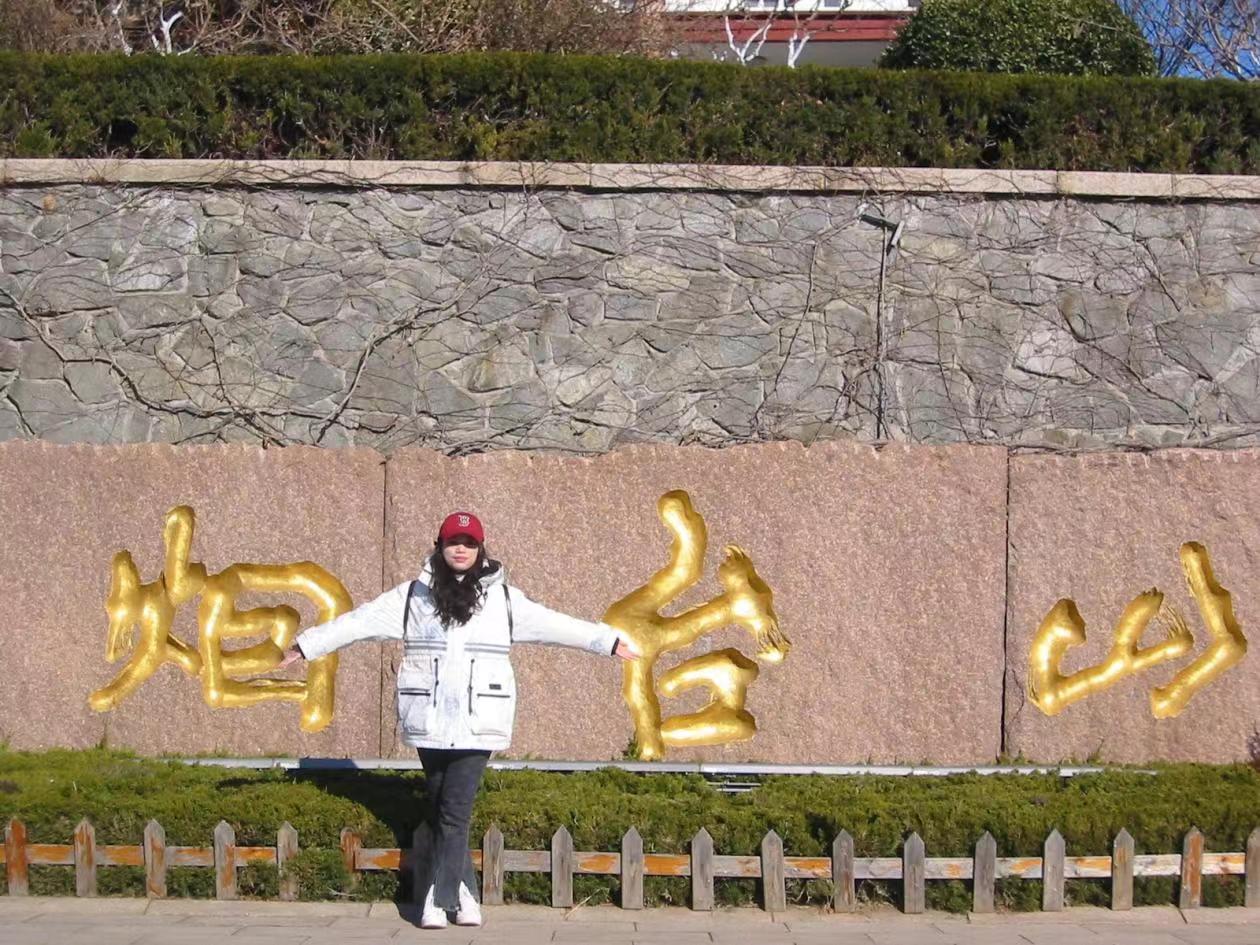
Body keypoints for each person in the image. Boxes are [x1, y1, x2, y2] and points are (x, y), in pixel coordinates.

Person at [277, 511, 640, 930]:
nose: (461, 550)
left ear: (480, 548)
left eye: (469, 543)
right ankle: (466, 893)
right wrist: (307, 646)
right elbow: (358, 622)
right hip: (429, 720)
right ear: (440, 546)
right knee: (440, 809)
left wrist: (607, 641)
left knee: (454, 811)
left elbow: (556, 624)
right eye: (453, 542)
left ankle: (438, 899)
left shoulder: (504, 600)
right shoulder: (412, 597)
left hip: (478, 720)